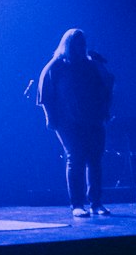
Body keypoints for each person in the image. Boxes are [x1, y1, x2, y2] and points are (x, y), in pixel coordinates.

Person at [37, 28, 115, 218]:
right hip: (68, 122)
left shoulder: (90, 64)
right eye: (77, 43)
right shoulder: (56, 65)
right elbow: (44, 92)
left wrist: (99, 63)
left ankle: (96, 203)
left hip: (93, 119)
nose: (81, 47)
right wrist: (50, 118)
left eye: (83, 43)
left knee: (95, 160)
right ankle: (77, 204)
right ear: (68, 44)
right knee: (76, 158)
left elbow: (107, 84)